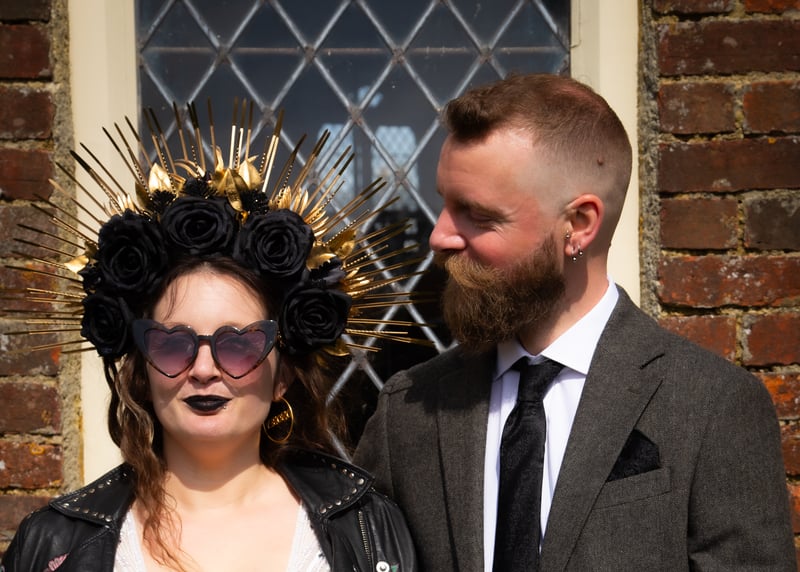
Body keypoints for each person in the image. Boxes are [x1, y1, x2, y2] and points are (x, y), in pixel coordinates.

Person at [354, 73, 796, 571]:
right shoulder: (409, 410)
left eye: (477, 214)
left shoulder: (711, 406)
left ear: (579, 224)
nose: (439, 236)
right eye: (444, 202)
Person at [1, 103, 418, 571]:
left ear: (282, 376)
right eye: (173, 344)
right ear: (142, 369)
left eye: (238, 344)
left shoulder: (367, 530)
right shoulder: (55, 541)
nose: (203, 370)